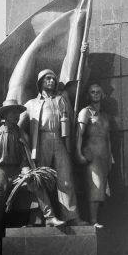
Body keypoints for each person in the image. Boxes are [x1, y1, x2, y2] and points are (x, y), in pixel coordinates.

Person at [0, 97, 65, 255]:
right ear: (5, 114)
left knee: (36, 183)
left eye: (18, 112)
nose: (17, 115)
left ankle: (50, 217)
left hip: (17, 171)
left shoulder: (22, 134)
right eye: (13, 112)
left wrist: (27, 172)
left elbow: (25, 159)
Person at [19, 69, 87, 225]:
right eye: (48, 78)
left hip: (61, 141)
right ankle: (42, 218)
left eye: (54, 79)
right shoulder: (31, 104)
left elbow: (72, 121)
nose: (51, 81)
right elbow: (18, 126)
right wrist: (25, 140)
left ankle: (71, 216)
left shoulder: (62, 99)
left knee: (66, 181)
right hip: (41, 141)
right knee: (39, 180)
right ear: (40, 82)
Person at [76, 81, 112, 227]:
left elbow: (108, 139)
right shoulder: (86, 112)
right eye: (93, 92)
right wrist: (78, 153)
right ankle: (93, 221)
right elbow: (79, 133)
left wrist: (110, 158)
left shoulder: (104, 116)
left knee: (101, 188)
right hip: (91, 154)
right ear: (88, 95)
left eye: (98, 92)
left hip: (103, 155)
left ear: (102, 95)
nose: (96, 94)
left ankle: (95, 219)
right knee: (95, 187)